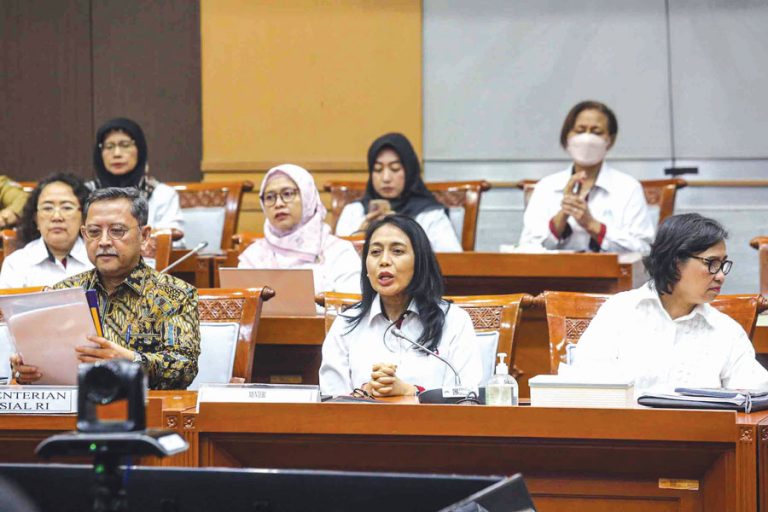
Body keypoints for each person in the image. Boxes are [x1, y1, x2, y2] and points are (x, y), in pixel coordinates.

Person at [9, 187, 200, 390]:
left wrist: (128, 361)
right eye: (94, 232)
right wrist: (25, 371)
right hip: (72, 411)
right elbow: (39, 362)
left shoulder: (175, 294)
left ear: (144, 236)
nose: (104, 241)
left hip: (142, 411)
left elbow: (185, 368)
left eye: (117, 231)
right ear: (84, 234)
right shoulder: (64, 292)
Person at [570, 213, 768, 395]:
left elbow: (754, 394)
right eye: (711, 263)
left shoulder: (726, 331)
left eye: (723, 264)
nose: (721, 276)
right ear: (675, 262)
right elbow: (587, 385)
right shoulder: (619, 312)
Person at [320, 214, 482, 396]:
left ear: (419, 262)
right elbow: (330, 401)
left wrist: (411, 392)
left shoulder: (454, 321)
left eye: (397, 251)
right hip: (362, 423)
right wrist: (365, 392)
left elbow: (467, 395)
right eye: (375, 252)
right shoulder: (346, 324)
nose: (384, 261)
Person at [519, 101, 655, 254]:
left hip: (609, 276)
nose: (587, 138)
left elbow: (644, 250)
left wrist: (592, 225)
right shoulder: (547, 186)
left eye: (596, 132)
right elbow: (526, 248)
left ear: (610, 140)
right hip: (555, 275)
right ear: (567, 136)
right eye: (580, 130)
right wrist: (562, 215)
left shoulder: (628, 188)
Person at [239, 164, 361, 294]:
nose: (278, 203)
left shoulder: (338, 251)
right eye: (270, 197)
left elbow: (352, 306)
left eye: (287, 194)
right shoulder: (253, 256)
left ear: (307, 196)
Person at [334, 133, 462, 253]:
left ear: (409, 171)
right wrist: (362, 236)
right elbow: (335, 261)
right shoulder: (353, 212)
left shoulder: (429, 215)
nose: (386, 178)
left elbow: (453, 261)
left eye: (395, 169)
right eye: (378, 170)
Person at [88, 117, 184, 237]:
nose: (117, 154)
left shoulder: (162, 195)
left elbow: (174, 242)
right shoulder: (87, 193)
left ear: (140, 150)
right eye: (109, 146)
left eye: (125, 145)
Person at [0, 173, 92, 288]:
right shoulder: (16, 264)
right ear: (36, 219)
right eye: (47, 208)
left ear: (83, 218)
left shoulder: (98, 259)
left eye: (67, 207)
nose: (56, 216)